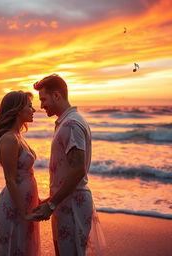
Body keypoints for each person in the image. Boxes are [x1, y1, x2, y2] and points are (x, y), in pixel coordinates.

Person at [32, 74, 105, 256]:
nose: (41, 105)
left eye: (43, 99)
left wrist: (51, 204)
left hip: (72, 205)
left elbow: (78, 169)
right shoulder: (66, 121)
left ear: (56, 95)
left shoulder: (71, 124)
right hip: (64, 203)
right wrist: (51, 202)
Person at [0, 91, 41, 256]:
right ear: (17, 110)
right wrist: (24, 212)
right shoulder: (9, 139)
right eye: (29, 106)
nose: (34, 110)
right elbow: (10, 180)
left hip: (24, 203)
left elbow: (26, 174)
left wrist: (36, 201)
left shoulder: (18, 136)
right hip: (15, 207)